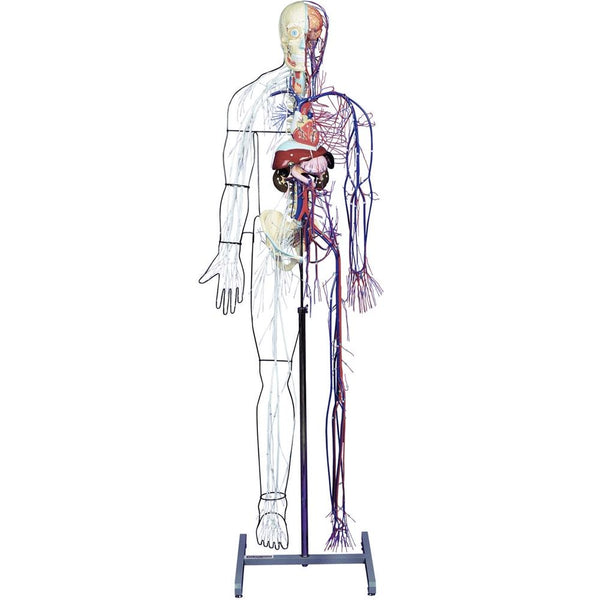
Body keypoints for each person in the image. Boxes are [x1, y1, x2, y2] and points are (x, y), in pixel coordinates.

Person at [199, 1, 380, 551]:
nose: (306, 47)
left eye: (314, 37)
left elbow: (356, 184)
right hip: (275, 250)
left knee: (333, 377)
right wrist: (229, 249)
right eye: (298, 36)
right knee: (276, 373)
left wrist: (356, 256)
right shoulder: (252, 100)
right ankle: (273, 506)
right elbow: (235, 181)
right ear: (284, 38)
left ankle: (333, 511)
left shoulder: (338, 107)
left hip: (323, 255)